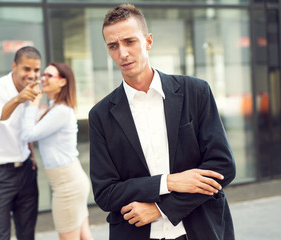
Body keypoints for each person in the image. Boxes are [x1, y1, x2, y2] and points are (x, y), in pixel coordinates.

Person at [88, 4, 236, 240]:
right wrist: (168, 182)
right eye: (113, 46)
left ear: (148, 41)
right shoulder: (100, 115)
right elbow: (106, 193)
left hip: (200, 230)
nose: (122, 53)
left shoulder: (195, 92)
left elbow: (222, 168)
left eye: (129, 41)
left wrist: (160, 208)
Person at [21, 62, 93, 240]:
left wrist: (33, 104)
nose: (43, 78)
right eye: (43, 74)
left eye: (49, 75)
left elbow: (27, 134)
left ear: (62, 82)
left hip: (67, 186)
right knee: (84, 236)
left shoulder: (60, 111)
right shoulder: (53, 108)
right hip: (69, 181)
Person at [0, 46, 41, 240]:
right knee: (0, 236)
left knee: (27, 235)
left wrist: (31, 154)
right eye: (26, 69)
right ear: (14, 66)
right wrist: (17, 99)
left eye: (36, 70)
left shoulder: (35, 91)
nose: (32, 74)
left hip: (26, 173)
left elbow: (25, 128)